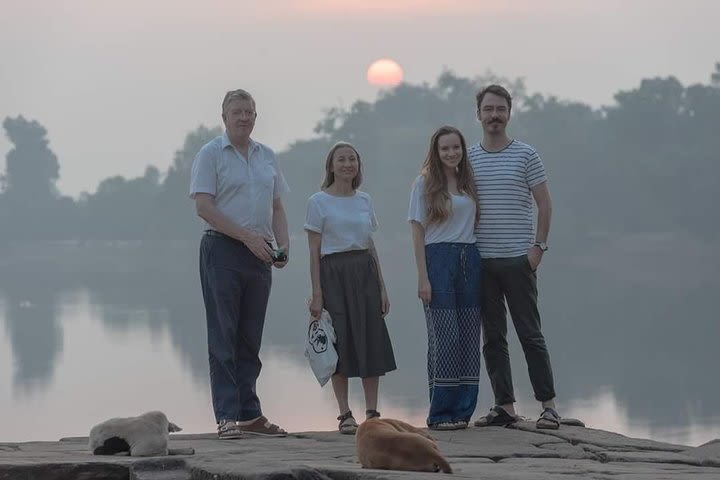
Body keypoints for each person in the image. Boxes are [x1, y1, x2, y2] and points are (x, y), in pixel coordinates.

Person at [190, 89, 290, 439]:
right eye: (237, 111)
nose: (244, 117)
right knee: (223, 337)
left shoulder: (267, 156)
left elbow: (277, 207)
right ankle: (227, 416)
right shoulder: (211, 154)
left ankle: (250, 414)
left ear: (256, 117)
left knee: (250, 338)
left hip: (260, 254)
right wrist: (246, 236)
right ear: (224, 117)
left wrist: (283, 245)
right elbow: (204, 207)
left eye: (249, 111)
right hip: (222, 251)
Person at [468, 84, 560, 429]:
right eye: (488, 109)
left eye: (500, 109)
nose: (494, 115)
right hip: (482, 262)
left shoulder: (526, 155)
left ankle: (549, 406)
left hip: (519, 261)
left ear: (509, 113)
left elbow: (545, 204)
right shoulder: (469, 159)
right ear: (478, 114)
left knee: (530, 334)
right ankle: (504, 407)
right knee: (492, 338)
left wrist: (538, 248)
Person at [305, 141, 397, 435]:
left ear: (358, 165)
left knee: (371, 336)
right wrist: (317, 293)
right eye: (341, 159)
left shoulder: (364, 200)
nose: (347, 164)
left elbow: (370, 245)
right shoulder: (317, 202)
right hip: (334, 274)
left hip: (364, 272)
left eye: (352, 159)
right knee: (340, 340)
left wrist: (382, 287)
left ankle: (372, 413)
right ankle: (345, 414)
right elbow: (314, 251)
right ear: (331, 166)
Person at [408, 126, 482, 431]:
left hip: (470, 260)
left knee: (468, 338)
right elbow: (416, 230)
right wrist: (422, 277)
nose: (451, 153)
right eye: (445, 149)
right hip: (438, 260)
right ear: (435, 152)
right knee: (446, 339)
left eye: (456, 148)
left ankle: (462, 412)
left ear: (462, 150)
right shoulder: (424, 184)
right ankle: (440, 414)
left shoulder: (468, 184)